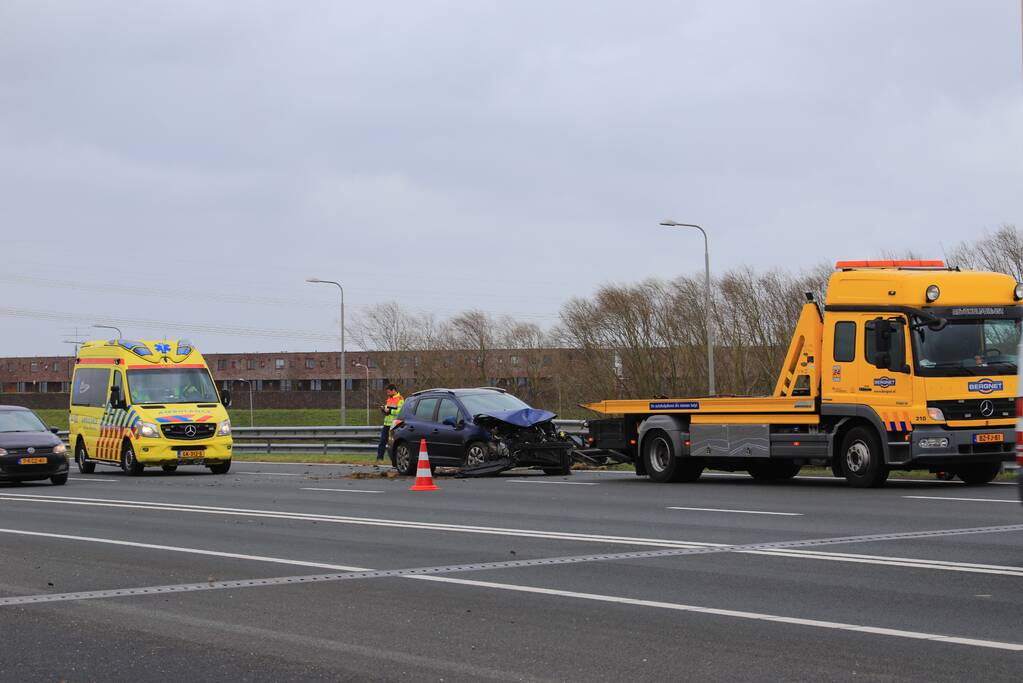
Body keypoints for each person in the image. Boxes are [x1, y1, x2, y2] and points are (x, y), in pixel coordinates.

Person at [377, 383, 404, 464]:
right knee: (382, 441)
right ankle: (379, 459)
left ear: (393, 390)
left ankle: (395, 461)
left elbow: (400, 412)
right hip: (386, 424)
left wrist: (389, 411)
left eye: (388, 392)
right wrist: (383, 409)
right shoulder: (389, 399)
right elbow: (387, 409)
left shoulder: (400, 399)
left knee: (394, 443)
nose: (387, 394)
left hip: (395, 425)